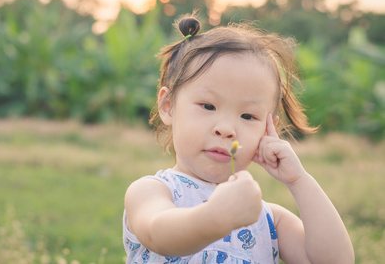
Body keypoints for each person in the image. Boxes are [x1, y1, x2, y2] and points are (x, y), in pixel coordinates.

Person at [123, 15, 354, 263]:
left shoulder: (267, 220)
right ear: (168, 106)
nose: (226, 129)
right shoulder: (153, 191)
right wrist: (215, 217)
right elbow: (159, 234)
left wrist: (299, 181)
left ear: (267, 131)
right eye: (208, 106)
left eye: (247, 115)